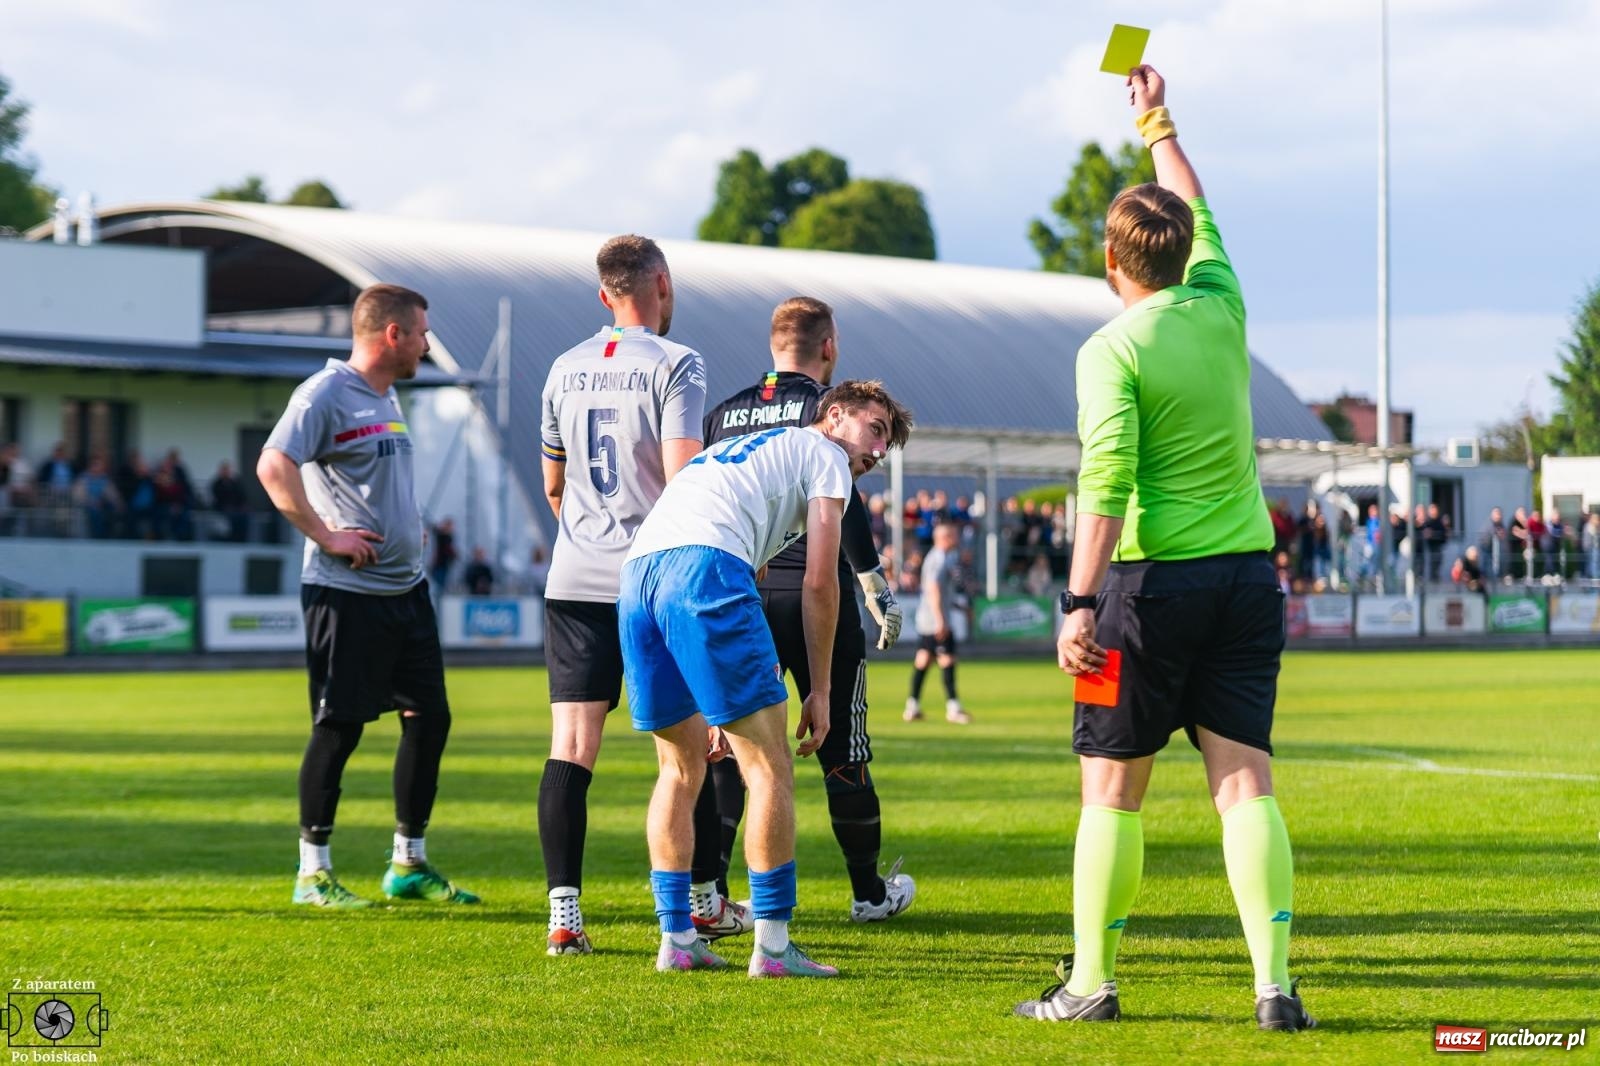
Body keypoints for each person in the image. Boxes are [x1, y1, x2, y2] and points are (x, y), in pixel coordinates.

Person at [1016, 66, 1313, 1031]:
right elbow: (1195, 200)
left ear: (1114, 260)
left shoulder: (1112, 349)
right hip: (1243, 581)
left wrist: (1075, 604)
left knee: (1111, 787)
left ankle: (1090, 985)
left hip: (1140, 592)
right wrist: (1155, 121)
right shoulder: (1223, 304)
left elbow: (1104, 485)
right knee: (1245, 781)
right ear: (1187, 251)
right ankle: (1273, 987)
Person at [618, 379, 912, 976]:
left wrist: (726, 700)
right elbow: (821, 582)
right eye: (875, 430)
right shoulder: (825, 455)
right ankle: (774, 948)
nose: (879, 451)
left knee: (678, 769)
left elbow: (750, 568)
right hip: (703, 569)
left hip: (637, 579)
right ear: (835, 416)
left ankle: (675, 941)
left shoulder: (752, 449)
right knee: (770, 767)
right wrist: (822, 690)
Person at [693, 297, 911, 937]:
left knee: (733, 748)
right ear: (830, 345)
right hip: (813, 591)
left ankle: (717, 897)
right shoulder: (829, 412)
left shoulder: (726, 410)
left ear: (772, 343)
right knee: (843, 747)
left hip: (741, 591)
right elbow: (841, 503)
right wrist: (874, 583)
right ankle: (868, 892)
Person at [258, 282, 478, 909]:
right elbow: (273, 467)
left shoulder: (386, 396)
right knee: (339, 726)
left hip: (405, 592)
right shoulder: (324, 393)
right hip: (345, 593)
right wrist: (326, 533)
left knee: (429, 719)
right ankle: (312, 873)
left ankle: (408, 863)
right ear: (393, 334)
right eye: (422, 333)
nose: (427, 344)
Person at [537, 234, 706, 955]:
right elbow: (685, 478)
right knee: (691, 751)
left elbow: (553, 482)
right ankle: (694, 908)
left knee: (572, 748)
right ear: (661, 284)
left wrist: (588, 535)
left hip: (573, 577)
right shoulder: (677, 364)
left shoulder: (563, 368)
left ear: (604, 294)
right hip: (653, 579)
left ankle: (565, 919)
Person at [905, 522, 972, 724]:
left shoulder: (944, 557)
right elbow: (933, 588)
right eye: (953, 534)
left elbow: (942, 591)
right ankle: (953, 708)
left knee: (924, 660)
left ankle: (912, 706)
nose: (957, 538)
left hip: (929, 619)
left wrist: (960, 608)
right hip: (935, 620)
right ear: (944, 537)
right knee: (947, 659)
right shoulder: (938, 558)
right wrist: (941, 619)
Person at [209, 460, 249, 542]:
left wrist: (242, 506)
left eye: (227, 470)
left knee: (244, 517)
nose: (226, 472)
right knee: (231, 518)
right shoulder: (217, 484)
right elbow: (217, 498)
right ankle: (229, 539)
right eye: (224, 470)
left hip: (236, 509)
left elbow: (241, 496)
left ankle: (241, 540)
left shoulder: (235, 483)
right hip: (221, 509)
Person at [429, 517, 458, 598]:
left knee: (440, 587)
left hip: (443, 566)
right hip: (438, 565)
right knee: (438, 586)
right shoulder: (441, 536)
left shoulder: (448, 537)